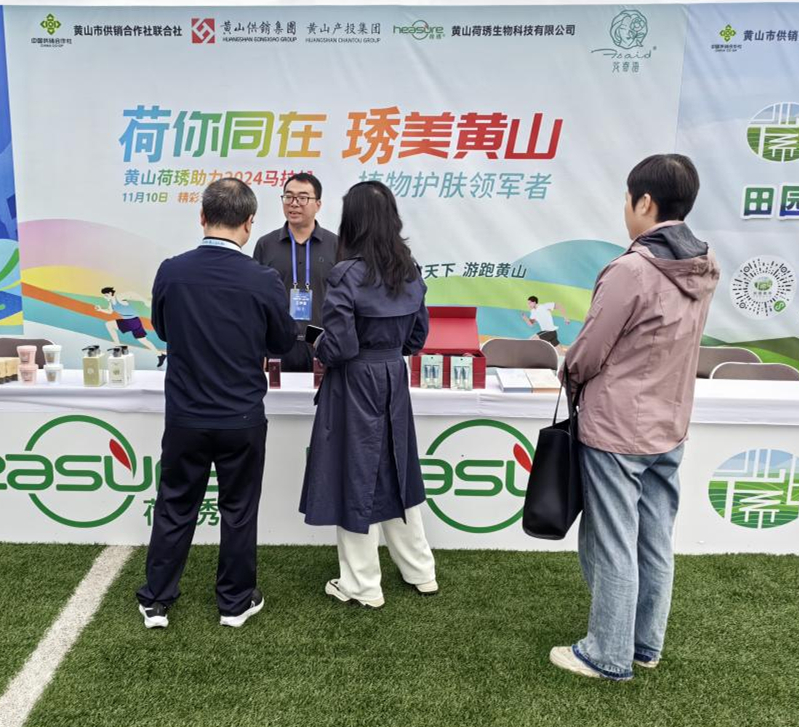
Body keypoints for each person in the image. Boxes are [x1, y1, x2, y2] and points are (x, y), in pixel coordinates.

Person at [549, 154, 719, 680]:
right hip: (670, 423)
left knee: (612, 543)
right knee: (653, 540)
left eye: (628, 199)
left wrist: (568, 370)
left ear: (645, 202)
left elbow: (589, 350)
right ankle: (644, 645)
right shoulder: (705, 264)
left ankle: (607, 654)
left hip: (618, 428)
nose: (625, 208)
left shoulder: (632, 269)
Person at [136, 178, 296, 630]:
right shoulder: (262, 279)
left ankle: (157, 600)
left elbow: (163, 329)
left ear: (203, 217)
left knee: (175, 503)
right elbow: (282, 342)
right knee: (238, 509)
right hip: (240, 415)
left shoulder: (172, 271)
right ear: (249, 223)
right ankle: (234, 602)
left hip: (186, 414)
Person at [300, 181, 436, 609]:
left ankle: (362, 584)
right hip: (393, 376)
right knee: (398, 469)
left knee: (354, 475)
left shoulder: (346, 275)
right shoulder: (410, 270)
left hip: (354, 382)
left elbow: (339, 346)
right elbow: (417, 337)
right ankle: (420, 571)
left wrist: (316, 343)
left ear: (353, 221)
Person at [252, 173, 338, 372]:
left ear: (318, 204)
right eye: (288, 196)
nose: (294, 203)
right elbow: (256, 300)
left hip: (322, 345)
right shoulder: (266, 244)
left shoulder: (336, 245)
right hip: (276, 347)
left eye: (303, 198)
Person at [94, 287, 166, 367]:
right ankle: (160, 355)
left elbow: (132, 294)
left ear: (110, 293)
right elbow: (109, 311)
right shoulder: (111, 303)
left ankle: (117, 346)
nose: (105, 297)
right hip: (135, 322)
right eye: (104, 296)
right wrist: (100, 309)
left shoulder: (119, 297)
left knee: (109, 325)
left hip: (131, 321)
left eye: (106, 295)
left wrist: (145, 301)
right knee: (143, 340)